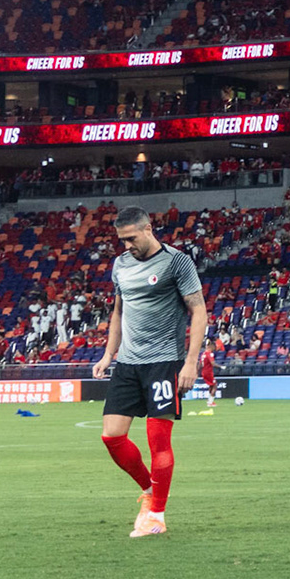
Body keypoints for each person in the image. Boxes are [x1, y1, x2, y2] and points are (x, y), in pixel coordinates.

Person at [92, 206, 207, 538]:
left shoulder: (177, 262)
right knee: (111, 435)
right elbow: (118, 313)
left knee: (159, 442)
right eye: (121, 240)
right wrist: (108, 354)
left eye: (131, 238)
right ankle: (148, 489)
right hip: (128, 363)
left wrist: (190, 361)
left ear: (148, 229)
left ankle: (156, 514)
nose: (126, 245)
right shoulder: (121, 265)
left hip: (163, 362)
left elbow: (198, 311)